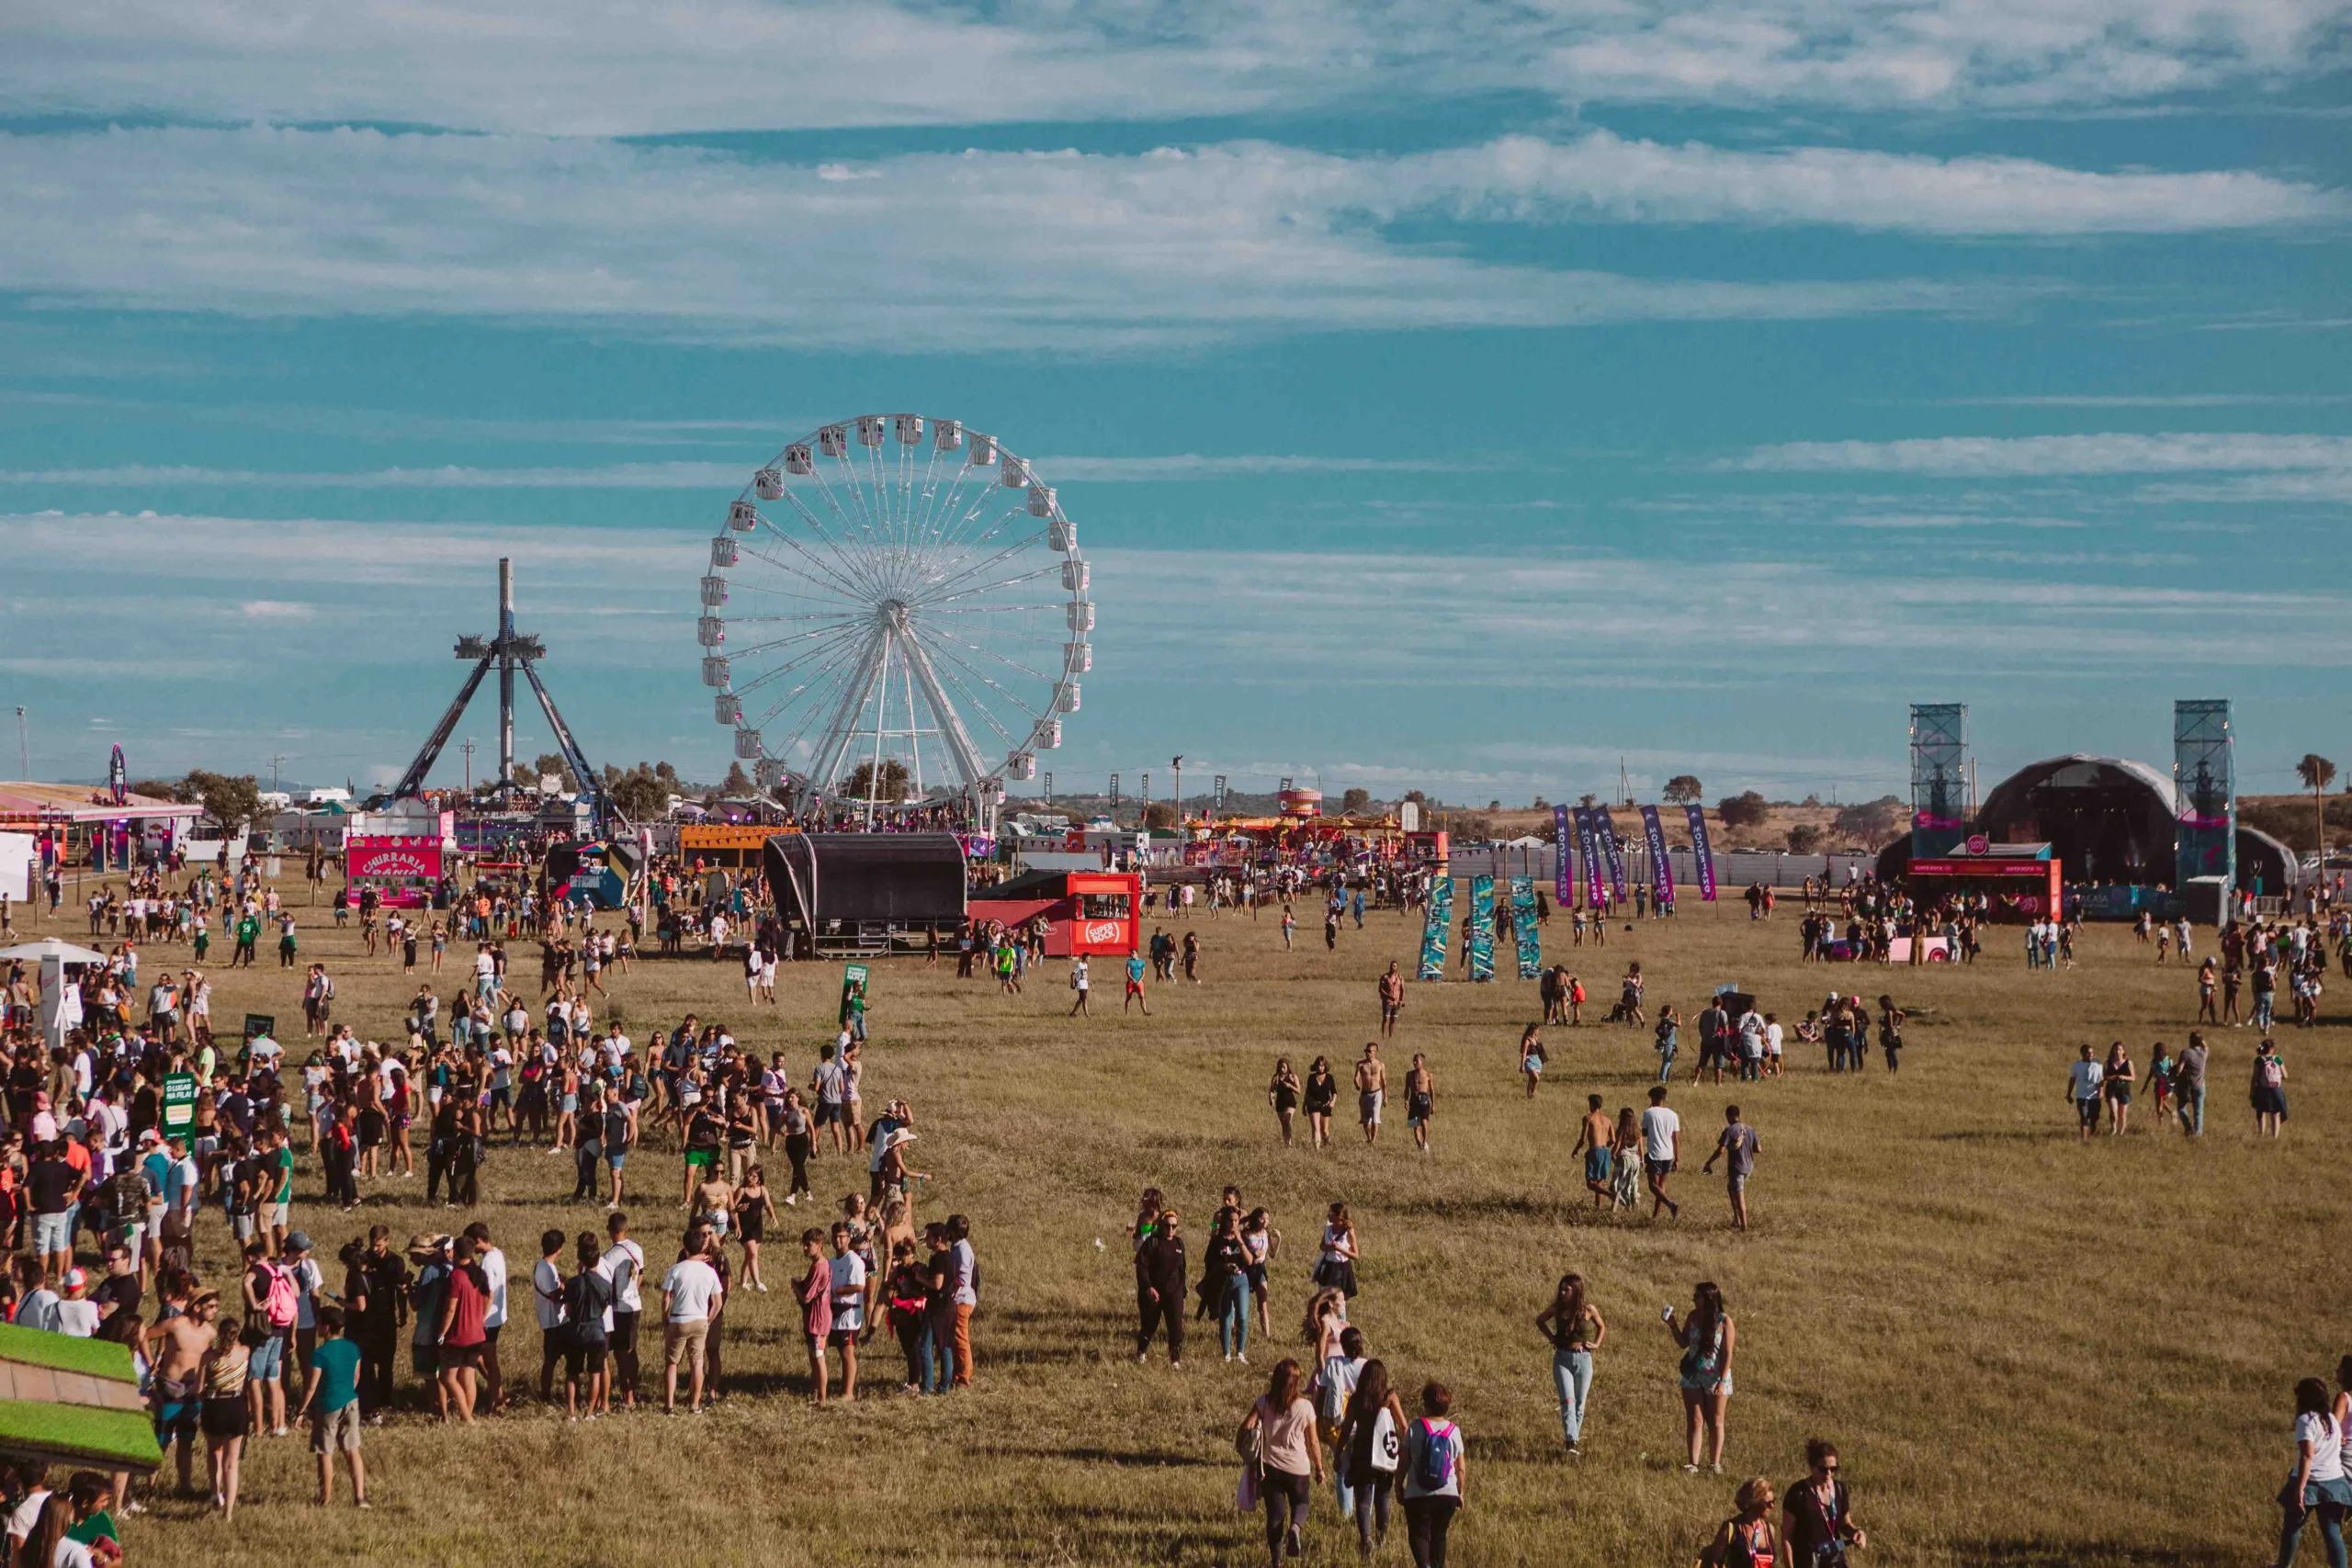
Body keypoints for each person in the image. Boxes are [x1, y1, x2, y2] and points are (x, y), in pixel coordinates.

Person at [1238, 1359, 1324, 1567]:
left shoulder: (1264, 1402)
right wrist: (1320, 1468)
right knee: (1302, 1502)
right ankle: (1295, 1527)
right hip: (1298, 1468)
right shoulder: (1305, 1407)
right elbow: (1313, 1441)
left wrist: (1243, 1443)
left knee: (1275, 1516)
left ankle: (1276, 1561)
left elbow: (1246, 1426)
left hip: (1270, 1467)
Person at [295, 1304, 367, 1507]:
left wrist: (301, 1410)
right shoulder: (353, 1347)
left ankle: (325, 1498)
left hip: (328, 1405)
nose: (316, 1326)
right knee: (352, 1449)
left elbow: (311, 1387)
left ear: (326, 1327)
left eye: (318, 1323)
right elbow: (356, 1376)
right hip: (351, 1402)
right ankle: (359, 1496)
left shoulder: (320, 1354)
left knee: (325, 1452)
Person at [2276, 1376, 2350, 1568]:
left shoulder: (2305, 1420)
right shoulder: (2332, 1419)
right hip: (2334, 1481)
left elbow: (2307, 1456)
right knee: (2333, 1533)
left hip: (2310, 1482)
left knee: (2292, 1528)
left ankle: (2283, 1566)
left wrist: (2299, 1490)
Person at [1338, 1357, 1407, 1554]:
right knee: (1383, 1498)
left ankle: (1365, 1537)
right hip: (1384, 1454)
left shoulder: (1357, 1400)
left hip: (1362, 1454)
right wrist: (1405, 1450)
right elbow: (1403, 1426)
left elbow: (1346, 1429)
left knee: (1363, 1500)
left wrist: (1338, 1453)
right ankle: (1381, 1538)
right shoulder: (1389, 1397)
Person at [1667, 1280, 1735, 1474]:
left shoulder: (1724, 1321)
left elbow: (1727, 1354)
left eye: (1697, 1296)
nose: (1693, 1299)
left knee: (1716, 1420)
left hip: (1715, 1376)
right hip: (1693, 1375)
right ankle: (1693, 1463)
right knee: (1695, 1420)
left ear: (1708, 1298)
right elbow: (1683, 1343)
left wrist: (1722, 1381)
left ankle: (1715, 1463)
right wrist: (1673, 1326)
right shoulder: (1693, 1316)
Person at [1536, 1272, 1605, 1456]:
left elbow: (1601, 1326)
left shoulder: (1588, 1309)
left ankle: (1572, 1439)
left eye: (1567, 1289)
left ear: (1576, 1290)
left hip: (1583, 1358)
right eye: (1562, 1288)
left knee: (1580, 1403)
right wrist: (1551, 1337)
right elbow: (1540, 1320)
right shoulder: (1557, 1309)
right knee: (1568, 1400)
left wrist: (1596, 1343)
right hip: (1562, 1358)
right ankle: (1571, 1442)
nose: (1563, 1292)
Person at [1399, 1381, 1464, 1568]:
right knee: (1440, 1535)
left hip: (1417, 1494)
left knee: (1419, 1534)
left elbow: (1404, 1461)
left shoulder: (1415, 1428)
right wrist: (1460, 1492)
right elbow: (1460, 1467)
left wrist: (1398, 1485)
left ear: (1425, 1404)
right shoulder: (1454, 1431)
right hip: (1447, 1494)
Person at [198, 1303, 251, 1518]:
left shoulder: (209, 1357)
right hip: (236, 1404)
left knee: (214, 1451)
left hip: (214, 1404)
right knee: (232, 1463)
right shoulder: (245, 1352)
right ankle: (228, 1512)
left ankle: (214, 1493)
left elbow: (199, 1387)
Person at [662, 1230, 722, 1414]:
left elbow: (666, 1298)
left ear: (685, 1248)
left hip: (679, 1319)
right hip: (700, 1320)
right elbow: (717, 1303)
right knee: (697, 1362)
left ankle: (669, 1406)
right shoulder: (709, 1271)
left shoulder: (676, 1269)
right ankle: (695, 1405)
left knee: (672, 1363)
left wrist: (665, 1318)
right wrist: (708, 1320)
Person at [1783, 1438, 1867, 1566]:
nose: (1828, 1473)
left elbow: (1845, 1524)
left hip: (1835, 1558)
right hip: (1809, 1560)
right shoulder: (1798, 1493)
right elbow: (1787, 1536)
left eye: (1833, 1469)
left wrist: (1856, 1533)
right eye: (1823, 1469)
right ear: (1812, 1467)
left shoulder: (1840, 1489)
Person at [1135, 1209, 1185, 1366]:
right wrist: (1148, 1287)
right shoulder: (1152, 1242)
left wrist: (1182, 1289)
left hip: (1174, 1292)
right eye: (1167, 1226)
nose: (1170, 1229)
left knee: (1176, 1326)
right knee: (1150, 1326)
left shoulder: (1179, 1243)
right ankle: (1141, 1351)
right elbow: (1141, 1267)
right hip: (1153, 1292)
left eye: (1173, 1226)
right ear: (1161, 1225)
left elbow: (1182, 1268)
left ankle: (1175, 1360)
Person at [1702, 1105, 1760, 1231]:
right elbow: (1758, 1149)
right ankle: (1736, 1219)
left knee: (1740, 1198)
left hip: (1737, 1168)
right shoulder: (1750, 1129)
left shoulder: (1729, 1130)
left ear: (1728, 1115)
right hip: (1749, 1167)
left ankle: (1743, 1227)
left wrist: (1709, 1162)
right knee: (1730, 1188)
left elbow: (1720, 1151)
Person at [1702, 1476, 1782, 1568]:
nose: (1772, 1506)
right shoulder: (1731, 1528)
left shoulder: (1770, 1529)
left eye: (1773, 1501)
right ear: (1754, 1502)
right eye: (1767, 1503)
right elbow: (1715, 1563)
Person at [797, 1227, 834, 1404]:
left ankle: (822, 1398)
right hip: (818, 1315)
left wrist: (795, 1286)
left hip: (818, 1318)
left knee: (819, 1357)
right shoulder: (822, 1264)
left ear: (819, 1246)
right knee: (814, 1355)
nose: (805, 1248)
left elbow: (806, 1297)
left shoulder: (819, 1267)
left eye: (808, 1245)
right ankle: (816, 1393)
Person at [1640, 1085, 1680, 1220]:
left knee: (1653, 1185)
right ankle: (1655, 1215)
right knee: (1661, 1186)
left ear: (1653, 1098)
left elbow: (1644, 1133)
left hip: (1655, 1153)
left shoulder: (1648, 1113)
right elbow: (1676, 1139)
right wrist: (1677, 1158)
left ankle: (1670, 1204)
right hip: (1669, 1153)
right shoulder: (1673, 1114)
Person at [1573, 1095, 1613, 1212]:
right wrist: (1603, 1146)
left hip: (1594, 1152)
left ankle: (1610, 1195)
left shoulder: (1588, 1118)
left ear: (1591, 1104)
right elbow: (1613, 1140)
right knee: (1599, 1182)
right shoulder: (1608, 1120)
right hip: (1606, 1152)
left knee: (1590, 1183)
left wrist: (1576, 1150)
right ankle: (1598, 1208)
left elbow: (1583, 1140)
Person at [2066, 1044, 2104, 1142]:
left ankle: (2092, 1130)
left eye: (2092, 1053)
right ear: (2082, 1053)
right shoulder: (2077, 1065)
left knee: (2094, 1117)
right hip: (2081, 1095)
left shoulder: (2098, 1065)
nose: (2090, 1055)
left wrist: (2101, 1092)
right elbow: (2072, 1079)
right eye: (2088, 1053)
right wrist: (2069, 1094)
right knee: (2083, 1116)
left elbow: (2101, 1080)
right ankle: (2084, 1138)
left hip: (2094, 1096)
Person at [2254, 1040, 2289, 1137]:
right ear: (2271, 1049)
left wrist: (2252, 1090)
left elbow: (2254, 1077)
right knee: (2275, 1113)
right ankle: (2275, 1136)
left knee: (2261, 1112)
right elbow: (2285, 1075)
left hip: (2262, 1089)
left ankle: (2261, 1134)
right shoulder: (2277, 1059)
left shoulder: (2259, 1060)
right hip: (2275, 1089)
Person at [2177, 1032, 2210, 1136]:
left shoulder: (2186, 1053)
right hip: (2200, 1086)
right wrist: (2201, 1039)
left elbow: (2179, 1070)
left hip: (2188, 1086)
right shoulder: (2204, 1052)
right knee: (2198, 1112)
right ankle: (2197, 1134)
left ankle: (2188, 1128)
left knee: (2181, 1108)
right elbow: (2205, 1046)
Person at [1303, 1058, 1338, 1150]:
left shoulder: (1329, 1077)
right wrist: (1304, 1105)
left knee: (1325, 1130)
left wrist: (1333, 1101)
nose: (1320, 1068)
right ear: (1315, 1066)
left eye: (1322, 1066)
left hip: (1326, 1105)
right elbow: (1308, 1093)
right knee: (1316, 1127)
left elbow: (1334, 1092)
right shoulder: (1311, 1077)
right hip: (1313, 1104)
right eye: (1318, 1065)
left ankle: (1327, 1145)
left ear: (1325, 1066)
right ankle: (1316, 1150)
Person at [1353, 1045, 1385, 1145]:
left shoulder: (1380, 1065)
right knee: (1365, 1120)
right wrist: (1357, 1084)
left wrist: (1386, 1097)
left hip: (1376, 1093)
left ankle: (1373, 1141)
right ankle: (1369, 1138)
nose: (1367, 1053)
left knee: (1375, 1118)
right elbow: (1356, 1077)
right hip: (1365, 1093)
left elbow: (1384, 1081)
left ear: (1375, 1052)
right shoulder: (1361, 1064)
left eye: (1369, 1051)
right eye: (1366, 1051)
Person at [1404, 1055, 1434, 1156]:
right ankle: (1419, 1145)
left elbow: (1432, 1091)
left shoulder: (1428, 1075)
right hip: (1414, 1100)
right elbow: (1406, 1089)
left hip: (1424, 1100)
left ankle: (1425, 1142)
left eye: (1417, 1061)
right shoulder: (1409, 1074)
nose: (1415, 1063)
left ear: (1422, 1062)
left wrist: (1433, 1105)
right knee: (1415, 1125)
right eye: (1414, 1061)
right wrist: (1406, 1101)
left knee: (1424, 1122)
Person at [1517, 1025, 1544, 1099]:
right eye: (1537, 1030)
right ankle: (1531, 1094)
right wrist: (1522, 1065)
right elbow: (1524, 1052)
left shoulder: (1536, 1039)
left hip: (1537, 1061)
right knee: (1536, 1078)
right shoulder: (1527, 1040)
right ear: (1533, 1030)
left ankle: (1530, 1095)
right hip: (1530, 1060)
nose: (1538, 1031)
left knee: (1534, 1080)